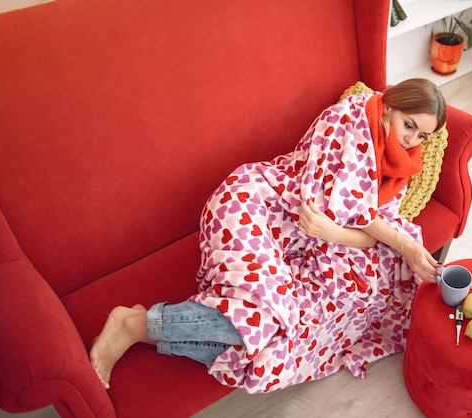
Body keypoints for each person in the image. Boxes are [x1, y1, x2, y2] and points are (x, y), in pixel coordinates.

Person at [90, 78, 447, 392]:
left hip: (299, 241)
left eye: (422, 135)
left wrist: (343, 233)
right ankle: (131, 325)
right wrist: (352, 233)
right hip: (257, 205)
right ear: (391, 103)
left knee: (277, 346)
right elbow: (338, 210)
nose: (411, 139)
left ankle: (143, 326)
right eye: (409, 124)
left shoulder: (400, 163)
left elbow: (367, 227)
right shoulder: (350, 118)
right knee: (258, 319)